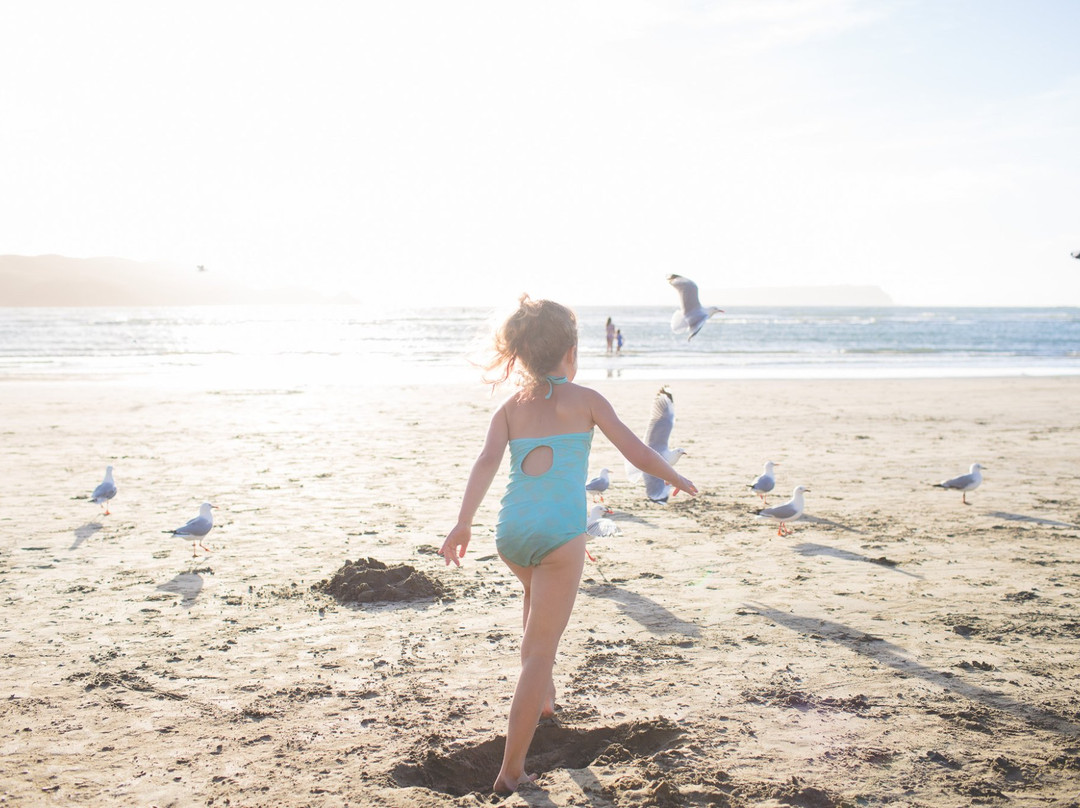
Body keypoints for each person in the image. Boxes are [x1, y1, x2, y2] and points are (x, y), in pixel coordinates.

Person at [439, 295, 697, 794]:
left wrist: (462, 523)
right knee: (540, 650)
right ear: (572, 352)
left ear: (521, 355)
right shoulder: (588, 400)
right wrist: (675, 476)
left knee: (535, 601)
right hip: (560, 538)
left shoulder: (510, 407)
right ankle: (511, 770)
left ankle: (546, 696)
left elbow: (486, 462)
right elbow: (638, 452)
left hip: (511, 535)